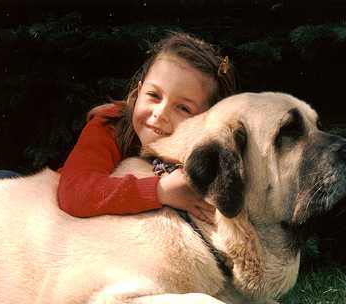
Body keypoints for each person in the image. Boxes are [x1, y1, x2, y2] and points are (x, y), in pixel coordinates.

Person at [57, 31, 238, 223]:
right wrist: (160, 191)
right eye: (154, 95)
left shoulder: (211, 153)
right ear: (139, 90)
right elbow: (75, 193)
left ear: (206, 119)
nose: (160, 113)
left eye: (183, 108)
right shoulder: (109, 125)